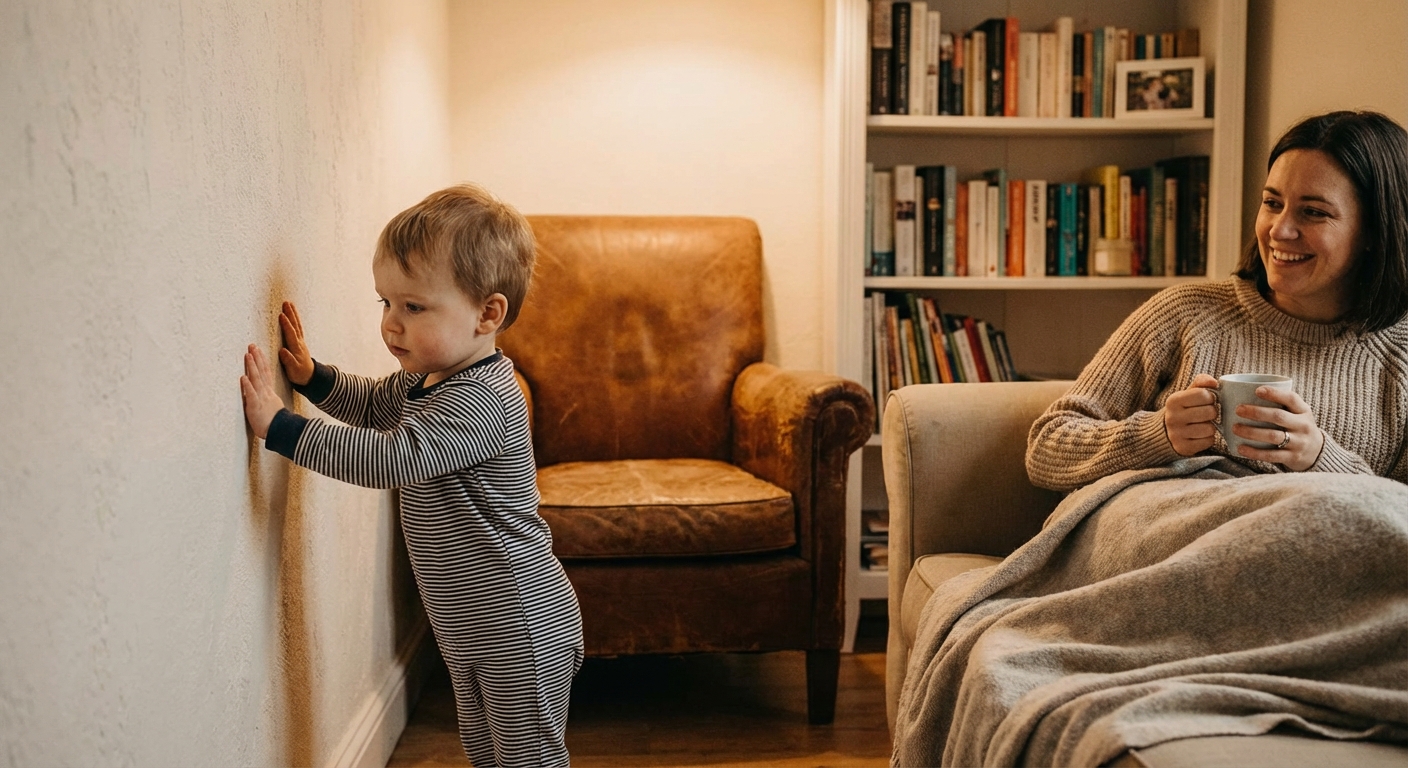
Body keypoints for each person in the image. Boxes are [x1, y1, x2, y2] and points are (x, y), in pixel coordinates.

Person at [239, 184, 583, 767]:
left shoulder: (483, 398)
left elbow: (390, 456)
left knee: (528, 761)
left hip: (518, 622)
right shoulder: (429, 379)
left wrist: (282, 428)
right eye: (386, 304)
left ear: (487, 313)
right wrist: (313, 379)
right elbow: (374, 405)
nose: (391, 326)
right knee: (486, 751)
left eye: (414, 307)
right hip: (469, 621)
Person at [1027, 110, 1408, 492]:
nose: (1279, 229)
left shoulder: (1399, 358)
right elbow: (1046, 450)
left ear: (1376, 231)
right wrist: (1158, 435)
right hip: (1165, 528)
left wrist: (1320, 458)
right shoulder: (1186, 313)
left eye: (1313, 212)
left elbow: (1395, 522)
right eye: (1272, 203)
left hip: (1305, 542)